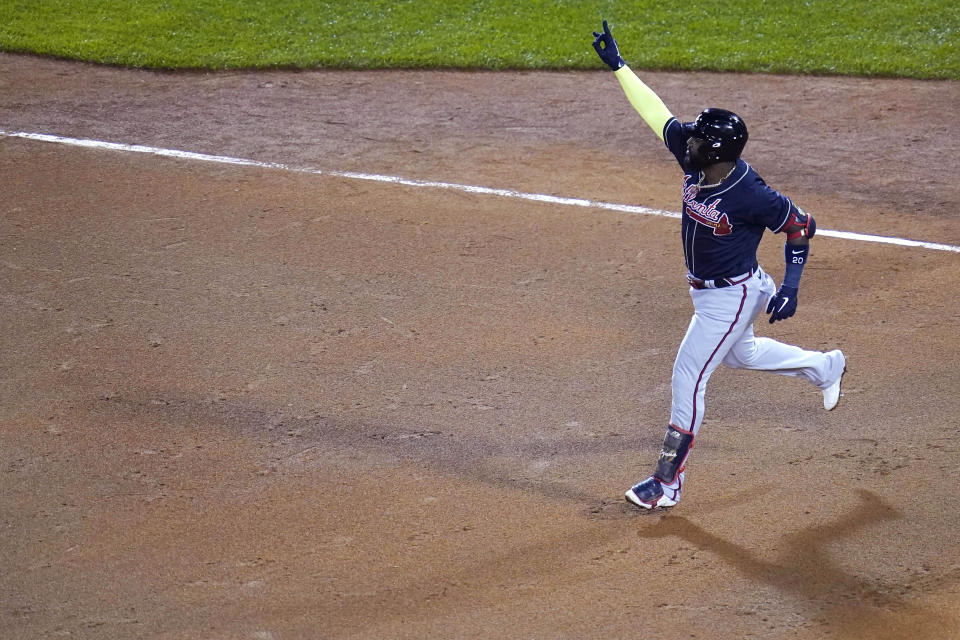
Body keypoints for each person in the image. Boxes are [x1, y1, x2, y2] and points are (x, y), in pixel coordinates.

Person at [590, 20, 847, 509]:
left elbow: (799, 225)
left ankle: (667, 483)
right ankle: (824, 366)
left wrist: (791, 286)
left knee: (688, 374)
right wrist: (619, 67)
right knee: (740, 355)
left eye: (696, 137)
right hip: (715, 292)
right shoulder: (698, 162)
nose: (685, 139)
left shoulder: (750, 192)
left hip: (731, 296)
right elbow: (657, 115)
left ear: (713, 150)